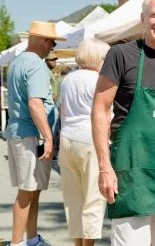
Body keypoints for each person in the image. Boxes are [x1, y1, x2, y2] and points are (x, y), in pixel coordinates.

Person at [92, 0, 155, 246]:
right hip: (132, 175)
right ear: (142, 18)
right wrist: (104, 168)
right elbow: (100, 110)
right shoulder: (121, 55)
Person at [6, 21, 66, 246]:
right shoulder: (36, 65)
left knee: (33, 190)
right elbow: (35, 104)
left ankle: (30, 239)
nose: (51, 47)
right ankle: (18, 242)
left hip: (21, 132)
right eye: (51, 42)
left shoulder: (19, 62)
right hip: (31, 134)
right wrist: (48, 137)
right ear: (42, 41)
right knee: (28, 190)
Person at [58, 39, 110, 246]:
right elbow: (106, 114)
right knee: (93, 199)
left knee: (74, 199)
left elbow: (62, 111)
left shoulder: (68, 78)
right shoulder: (99, 79)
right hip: (90, 139)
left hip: (67, 138)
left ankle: (78, 244)